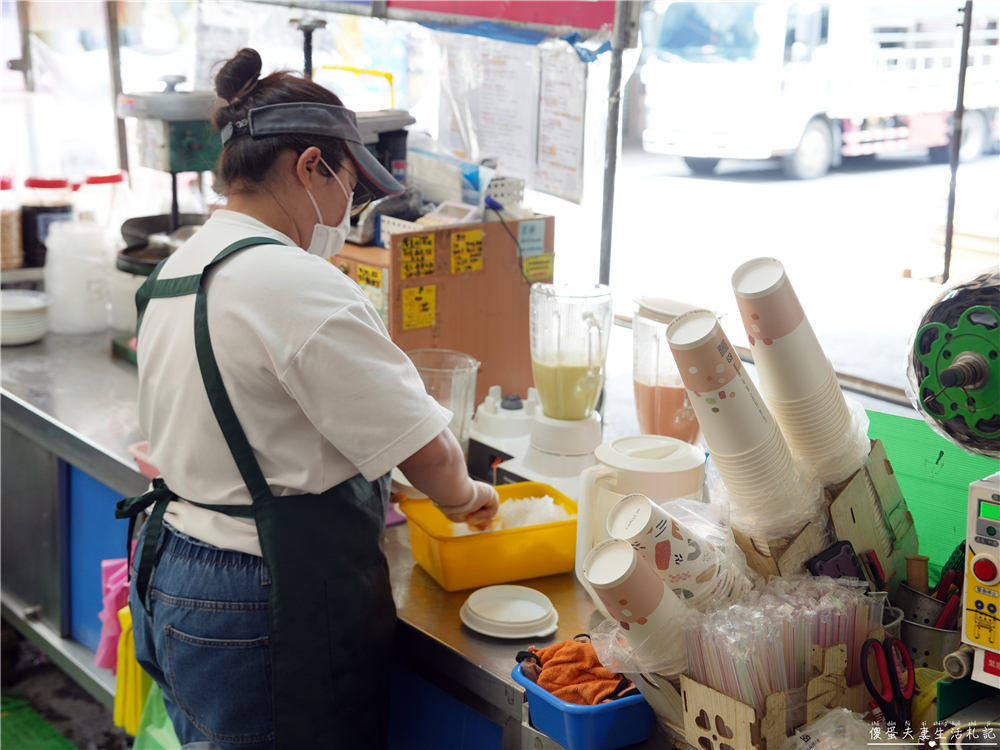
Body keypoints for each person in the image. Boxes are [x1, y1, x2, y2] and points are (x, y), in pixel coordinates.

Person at [117, 48, 499, 750]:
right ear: (311, 167)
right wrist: (467, 497)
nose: (351, 212)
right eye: (352, 188)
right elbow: (430, 452)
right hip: (262, 592)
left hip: (173, 565)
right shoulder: (296, 283)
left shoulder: (178, 267)